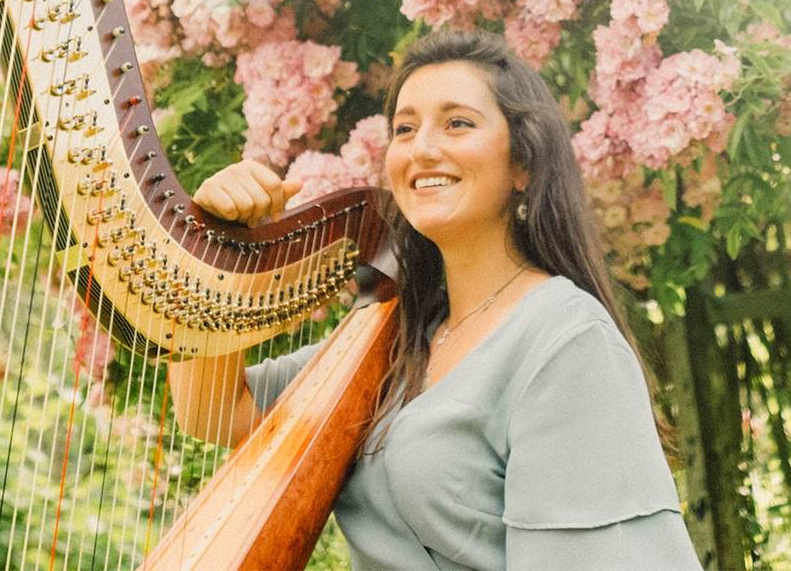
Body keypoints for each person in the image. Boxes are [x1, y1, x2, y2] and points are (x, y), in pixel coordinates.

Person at [167, 29, 703, 569]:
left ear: (524, 165)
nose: (422, 148)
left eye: (457, 123)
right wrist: (221, 255)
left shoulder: (566, 341)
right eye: (405, 128)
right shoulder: (400, 333)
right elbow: (214, 412)